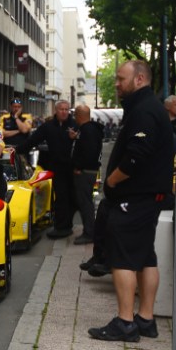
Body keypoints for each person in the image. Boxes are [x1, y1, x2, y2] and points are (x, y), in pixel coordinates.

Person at [88, 60, 173, 342]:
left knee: (122, 257)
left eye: (120, 78)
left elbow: (137, 155)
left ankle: (125, 322)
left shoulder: (144, 110)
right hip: (147, 196)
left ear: (139, 79)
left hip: (134, 197)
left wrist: (112, 180)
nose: (116, 83)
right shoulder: (147, 107)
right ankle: (145, 319)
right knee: (146, 256)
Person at [24, 100, 77, 239]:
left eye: (66, 109)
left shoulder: (75, 125)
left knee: (73, 197)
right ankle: (61, 227)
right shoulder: (48, 126)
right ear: (56, 110)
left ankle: (67, 225)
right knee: (61, 197)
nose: (64, 112)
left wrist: (75, 138)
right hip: (58, 168)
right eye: (61, 109)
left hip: (73, 167)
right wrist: (18, 150)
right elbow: (33, 140)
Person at [71, 104, 102, 245]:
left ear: (78, 115)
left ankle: (89, 233)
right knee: (85, 201)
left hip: (85, 171)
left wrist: (79, 167)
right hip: (89, 170)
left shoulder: (87, 131)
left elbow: (89, 152)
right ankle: (89, 231)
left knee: (85, 203)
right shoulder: (89, 129)